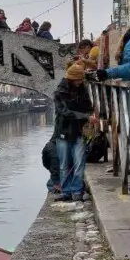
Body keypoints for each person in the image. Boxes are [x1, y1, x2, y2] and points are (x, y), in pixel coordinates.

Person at [54, 63, 93, 202]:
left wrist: (89, 116)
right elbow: (65, 112)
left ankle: (76, 191)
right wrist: (85, 116)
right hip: (63, 131)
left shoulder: (83, 90)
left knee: (79, 162)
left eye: (81, 80)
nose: (81, 82)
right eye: (78, 80)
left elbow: (89, 107)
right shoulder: (59, 93)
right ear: (71, 79)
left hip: (79, 131)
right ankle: (66, 192)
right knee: (64, 164)